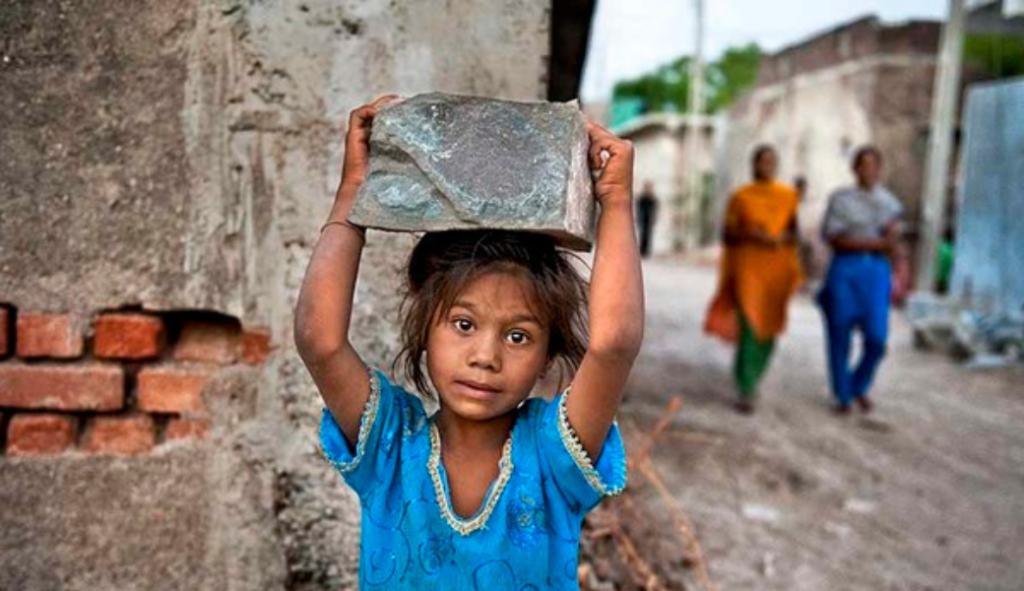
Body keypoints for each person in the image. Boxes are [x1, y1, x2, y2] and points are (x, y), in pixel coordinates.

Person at [294, 95, 644, 589]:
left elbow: (613, 345)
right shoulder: (390, 447)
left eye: (518, 336)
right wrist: (354, 190)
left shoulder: (552, 456)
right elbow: (319, 339)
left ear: (548, 356)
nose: (485, 357)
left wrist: (616, 204)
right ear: (424, 330)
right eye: (463, 325)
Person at [704, 145, 802, 413]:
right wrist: (750, 235)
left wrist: (779, 239)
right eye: (763, 161)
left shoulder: (787, 197)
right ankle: (746, 386)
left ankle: (755, 374)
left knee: (768, 327)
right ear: (754, 165)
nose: (767, 166)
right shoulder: (742, 198)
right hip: (747, 270)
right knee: (750, 324)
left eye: (772, 161)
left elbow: (794, 233)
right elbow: (728, 234)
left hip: (776, 272)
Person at [817, 146, 902, 415]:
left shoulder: (889, 203)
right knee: (839, 331)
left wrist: (891, 252)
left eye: (874, 165)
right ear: (855, 169)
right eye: (863, 165)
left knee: (877, 337)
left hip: (876, 271)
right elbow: (833, 238)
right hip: (846, 268)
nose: (869, 170)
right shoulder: (841, 200)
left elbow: (892, 238)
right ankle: (842, 394)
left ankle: (858, 385)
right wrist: (875, 242)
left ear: (880, 169)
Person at [636, 180, 659, 257]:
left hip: (649, 219)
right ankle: (642, 250)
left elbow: (655, 209)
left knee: (648, 234)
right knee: (642, 234)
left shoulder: (652, 198)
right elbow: (638, 208)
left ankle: (646, 251)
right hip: (642, 218)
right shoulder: (642, 198)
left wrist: (654, 217)